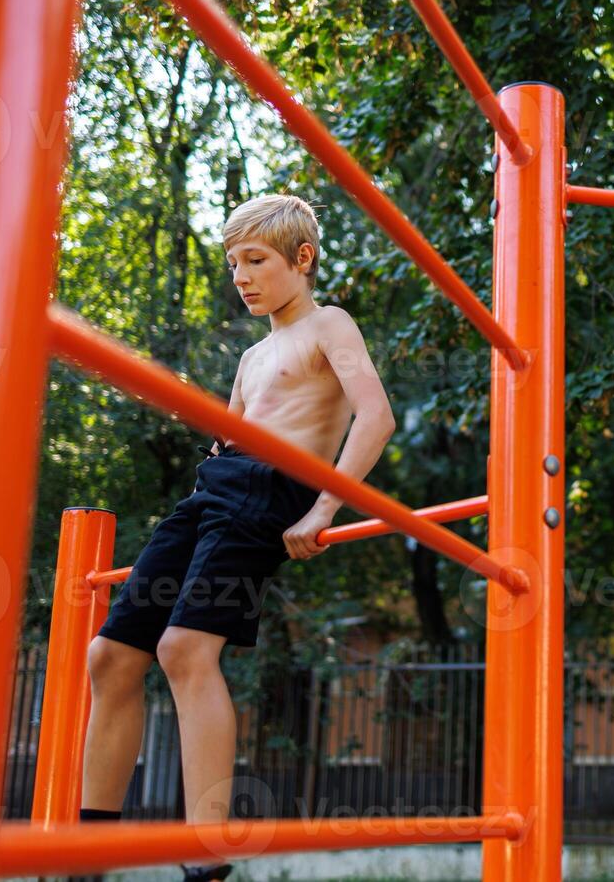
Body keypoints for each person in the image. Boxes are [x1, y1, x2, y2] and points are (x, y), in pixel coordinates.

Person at [75, 194, 396, 882]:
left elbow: (376, 417)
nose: (241, 276)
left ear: (301, 259)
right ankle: (87, 853)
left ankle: (206, 854)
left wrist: (323, 511)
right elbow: (228, 437)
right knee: (110, 655)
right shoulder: (252, 355)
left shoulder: (328, 324)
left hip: (269, 492)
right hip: (213, 491)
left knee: (184, 648)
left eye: (255, 261)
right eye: (232, 264)